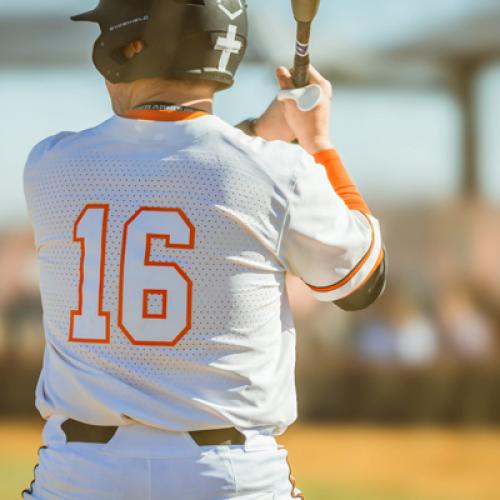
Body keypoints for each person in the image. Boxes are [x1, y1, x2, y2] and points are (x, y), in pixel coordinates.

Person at [22, 1, 386, 498]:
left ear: (131, 47)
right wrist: (316, 142)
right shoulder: (276, 171)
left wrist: (259, 133)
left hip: (80, 474)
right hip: (230, 477)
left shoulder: (49, 165)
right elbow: (361, 283)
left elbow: (173, 166)